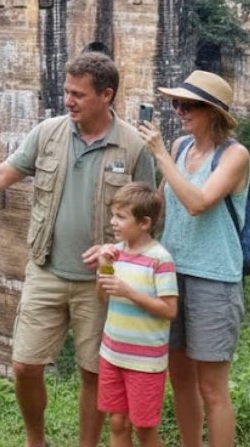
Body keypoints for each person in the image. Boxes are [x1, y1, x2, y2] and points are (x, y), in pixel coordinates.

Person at [0, 52, 154, 447]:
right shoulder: (49, 133)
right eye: (67, 91)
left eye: (79, 94)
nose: (69, 100)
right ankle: (35, 440)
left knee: (93, 372)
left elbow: (148, 217)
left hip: (102, 280)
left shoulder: (133, 147)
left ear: (106, 95)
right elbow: (4, 174)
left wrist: (116, 250)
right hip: (46, 267)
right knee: (24, 364)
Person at [134, 70, 250, 447]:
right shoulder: (182, 147)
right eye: (176, 103)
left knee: (212, 387)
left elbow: (198, 203)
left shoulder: (234, 156)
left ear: (212, 112)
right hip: (172, 275)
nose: (180, 111)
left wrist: (159, 154)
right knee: (180, 378)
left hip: (215, 279)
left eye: (189, 105)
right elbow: (162, 207)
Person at [95, 184, 178, 447]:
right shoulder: (114, 254)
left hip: (144, 361)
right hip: (112, 354)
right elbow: (103, 297)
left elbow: (169, 310)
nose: (113, 222)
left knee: (144, 428)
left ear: (144, 223)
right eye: (113, 215)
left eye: (121, 217)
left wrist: (130, 292)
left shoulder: (159, 260)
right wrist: (105, 269)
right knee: (117, 422)